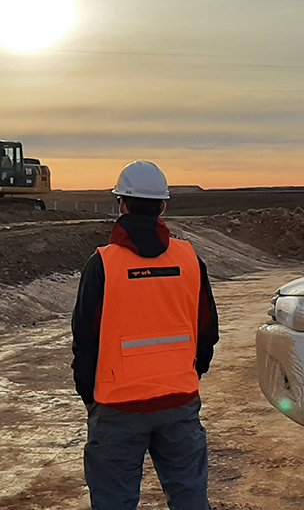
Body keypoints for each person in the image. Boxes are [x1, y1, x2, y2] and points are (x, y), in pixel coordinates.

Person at [72, 161, 219, 510]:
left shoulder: (103, 265)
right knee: (190, 499)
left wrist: (90, 395)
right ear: (163, 206)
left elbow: (84, 339)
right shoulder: (189, 258)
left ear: (121, 204)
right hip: (179, 401)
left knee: (114, 501)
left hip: (116, 408)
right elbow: (208, 329)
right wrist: (190, 374)